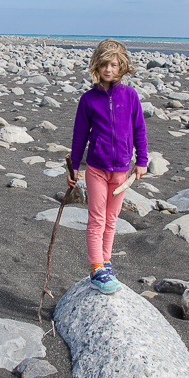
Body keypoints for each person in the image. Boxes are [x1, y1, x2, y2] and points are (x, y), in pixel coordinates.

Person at [68, 38, 148, 294]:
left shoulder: (130, 96)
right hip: (96, 170)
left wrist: (142, 161)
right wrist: (73, 168)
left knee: (112, 220)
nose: (109, 70)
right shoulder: (88, 100)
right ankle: (96, 269)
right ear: (97, 66)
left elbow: (139, 130)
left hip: (122, 172)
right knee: (97, 219)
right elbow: (80, 136)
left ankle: (106, 262)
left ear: (122, 67)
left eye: (114, 65)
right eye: (104, 64)